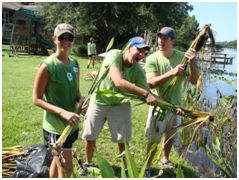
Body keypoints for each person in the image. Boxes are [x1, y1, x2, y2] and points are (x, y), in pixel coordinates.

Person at [79, 36, 159, 175]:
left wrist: (173, 107)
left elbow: (148, 92)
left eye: (144, 52)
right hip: (99, 101)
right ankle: (88, 163)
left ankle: (126, 167)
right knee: (90, 135)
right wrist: (146, 95)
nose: (141, 54)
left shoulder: (138, 71)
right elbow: (118, 82)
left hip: (120, 105)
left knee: (123, 139)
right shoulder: (114, 55)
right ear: (128, 48)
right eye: (138, 50)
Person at [144, 27, 199, 177]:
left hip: (177, 107)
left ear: (173, 41)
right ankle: (147, 166)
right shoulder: (152, 58)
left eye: (165, 38)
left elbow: (194, 81)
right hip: (158, 105)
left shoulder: (183, 57)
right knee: (154, 138)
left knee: (170, 136)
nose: (161, 41)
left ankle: (165, 159)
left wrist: (193, 63)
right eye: (160, 37)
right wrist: (172, 72)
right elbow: (151, 83)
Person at [32, 23, 81, 178]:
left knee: (58, 166)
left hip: (71, 125)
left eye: (70, 38)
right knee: (66, 168)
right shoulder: (47, 66)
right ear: (54, 39)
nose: (66, 41)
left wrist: (83, 103)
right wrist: (62, 112)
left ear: (73, 41)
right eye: (62, 37)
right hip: (55, 128)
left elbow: (77, 93)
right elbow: (36, 99)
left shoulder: (75, 64)